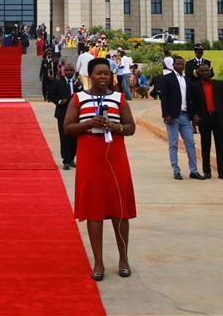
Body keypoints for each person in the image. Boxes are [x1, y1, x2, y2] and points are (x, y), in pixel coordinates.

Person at [64, 58, 136, 281]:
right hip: (90, 158)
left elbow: (131, 127)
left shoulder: (119, 99)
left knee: (119, 208)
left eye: (106, 73)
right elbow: (68, 128)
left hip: (115, 157)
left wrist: (116, 127)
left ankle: (123, 258)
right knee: (94, 209)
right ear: (90, 75)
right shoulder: (79, 98)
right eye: (99, 73)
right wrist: (89, 124)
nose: (103, 77)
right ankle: (98, 262)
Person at [158, 56, 204, 180]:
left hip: (185, 116)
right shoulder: (167, 79)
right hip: (172, 116)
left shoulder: (187, 79)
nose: (180, 66)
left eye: (182, 64)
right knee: (173, 144)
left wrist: (194, 114)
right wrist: (166, 114)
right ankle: (176, 170)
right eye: (178, 64)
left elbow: (191, 99)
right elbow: (164, 98)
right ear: (173, 65)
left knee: (190, 143)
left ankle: (193, 171)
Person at [187, 64, 223, 180]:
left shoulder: (219, 84)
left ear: (210, 71)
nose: (205, 73)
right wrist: (193, 116)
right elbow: (191, 103)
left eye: (207, 71)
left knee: (220, 146)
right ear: (198, 72)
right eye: (202, 71)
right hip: (204, 119)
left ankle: (222, 172)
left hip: (218, 119)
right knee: (205, 146)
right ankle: (207, 171)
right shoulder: (194, 86)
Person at [49, 64, 82, 170]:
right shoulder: (58, 82)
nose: (69, 72)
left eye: (71, 70)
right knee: (64, 137)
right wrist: (59, 101)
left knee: (74, 137)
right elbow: (51, 95)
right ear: (63, 71)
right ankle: (66, 160)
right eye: (66, 70)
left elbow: (83, 94)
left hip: (76, 114)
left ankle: (72, 158)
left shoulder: (77, 83)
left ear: (74, 71)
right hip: (62, 113)